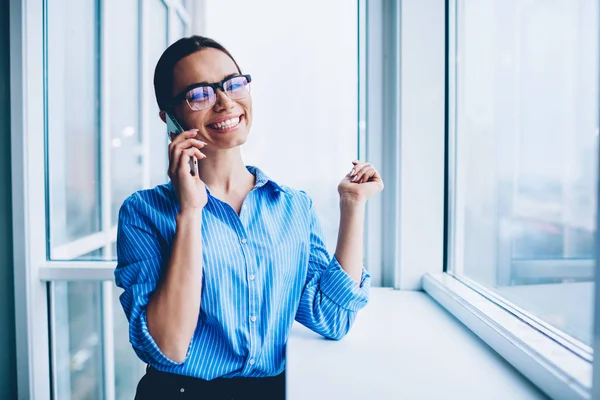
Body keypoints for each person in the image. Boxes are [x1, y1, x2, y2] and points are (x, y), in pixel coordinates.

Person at [114, 35, 384, 400]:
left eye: (233, 84)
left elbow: (331, 318)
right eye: (199, 93)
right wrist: (191, 211)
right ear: (169, 118)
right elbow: (168, 347)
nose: (225, 103)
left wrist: (353, 207)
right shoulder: (143, 212)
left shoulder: (293, 207)